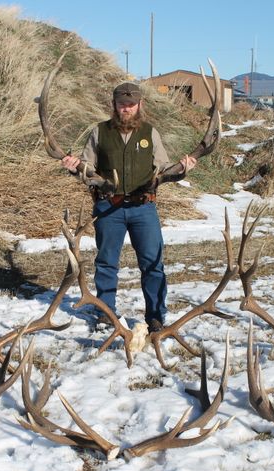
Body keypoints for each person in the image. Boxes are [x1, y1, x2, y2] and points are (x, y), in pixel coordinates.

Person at [62, 82, 196, 333]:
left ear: (140, 105)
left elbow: (163, 169)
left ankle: (155, 316)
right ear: (113, 105)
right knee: (106, 262)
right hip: (107, 207)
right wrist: (74, 166)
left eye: (131, 105)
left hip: (143, 208)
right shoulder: (99, 132)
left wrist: (182, 168)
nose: (126, 109)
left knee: (153, 263)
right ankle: (105, 313)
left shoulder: (150, 133)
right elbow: (87, 168)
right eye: (122, 104)